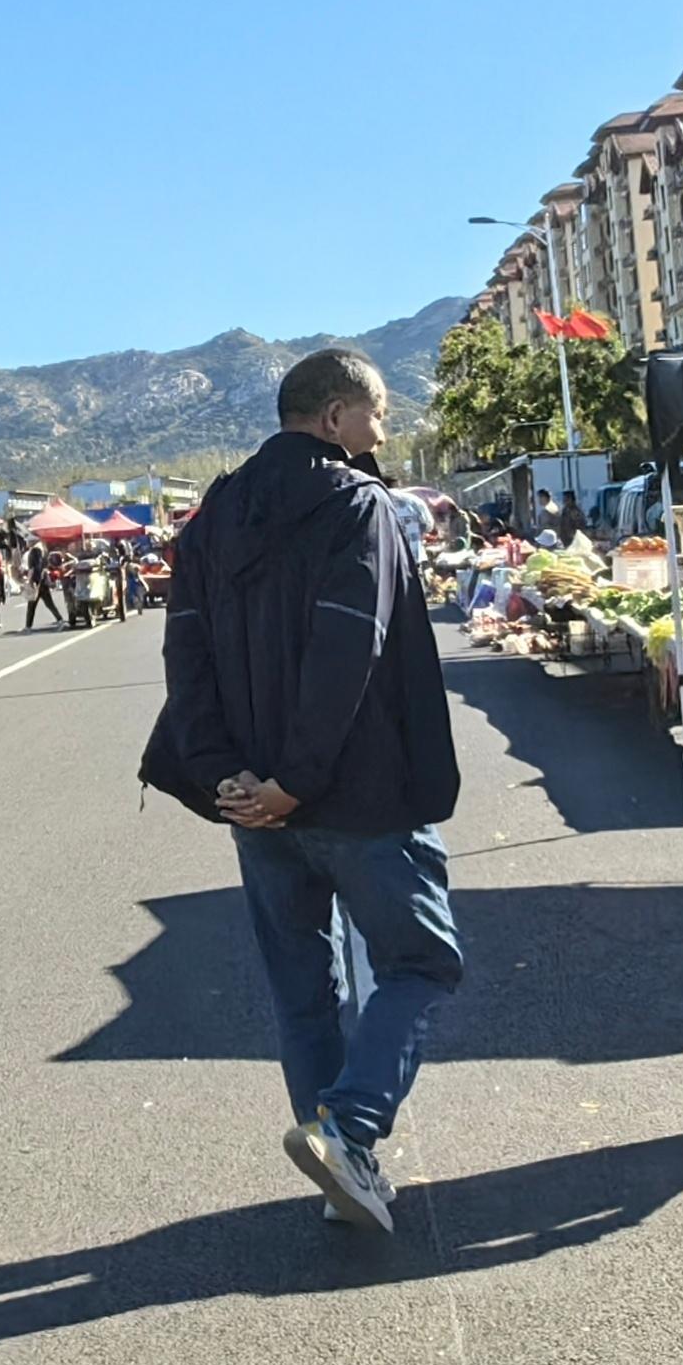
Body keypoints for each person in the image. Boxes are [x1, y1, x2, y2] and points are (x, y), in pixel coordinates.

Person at [143, 348, 462, 1234]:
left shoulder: (209, 521)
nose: (381, 432)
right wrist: (298, 780)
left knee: (301, 989)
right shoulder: (356, 507)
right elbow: (346, 649)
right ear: (333, 418)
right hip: (354, 795)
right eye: (377, 414)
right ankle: (349, 1133)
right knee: (420, 960)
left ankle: (338, 1171)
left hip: (252, 801)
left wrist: (224, 777)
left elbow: (185, 658)